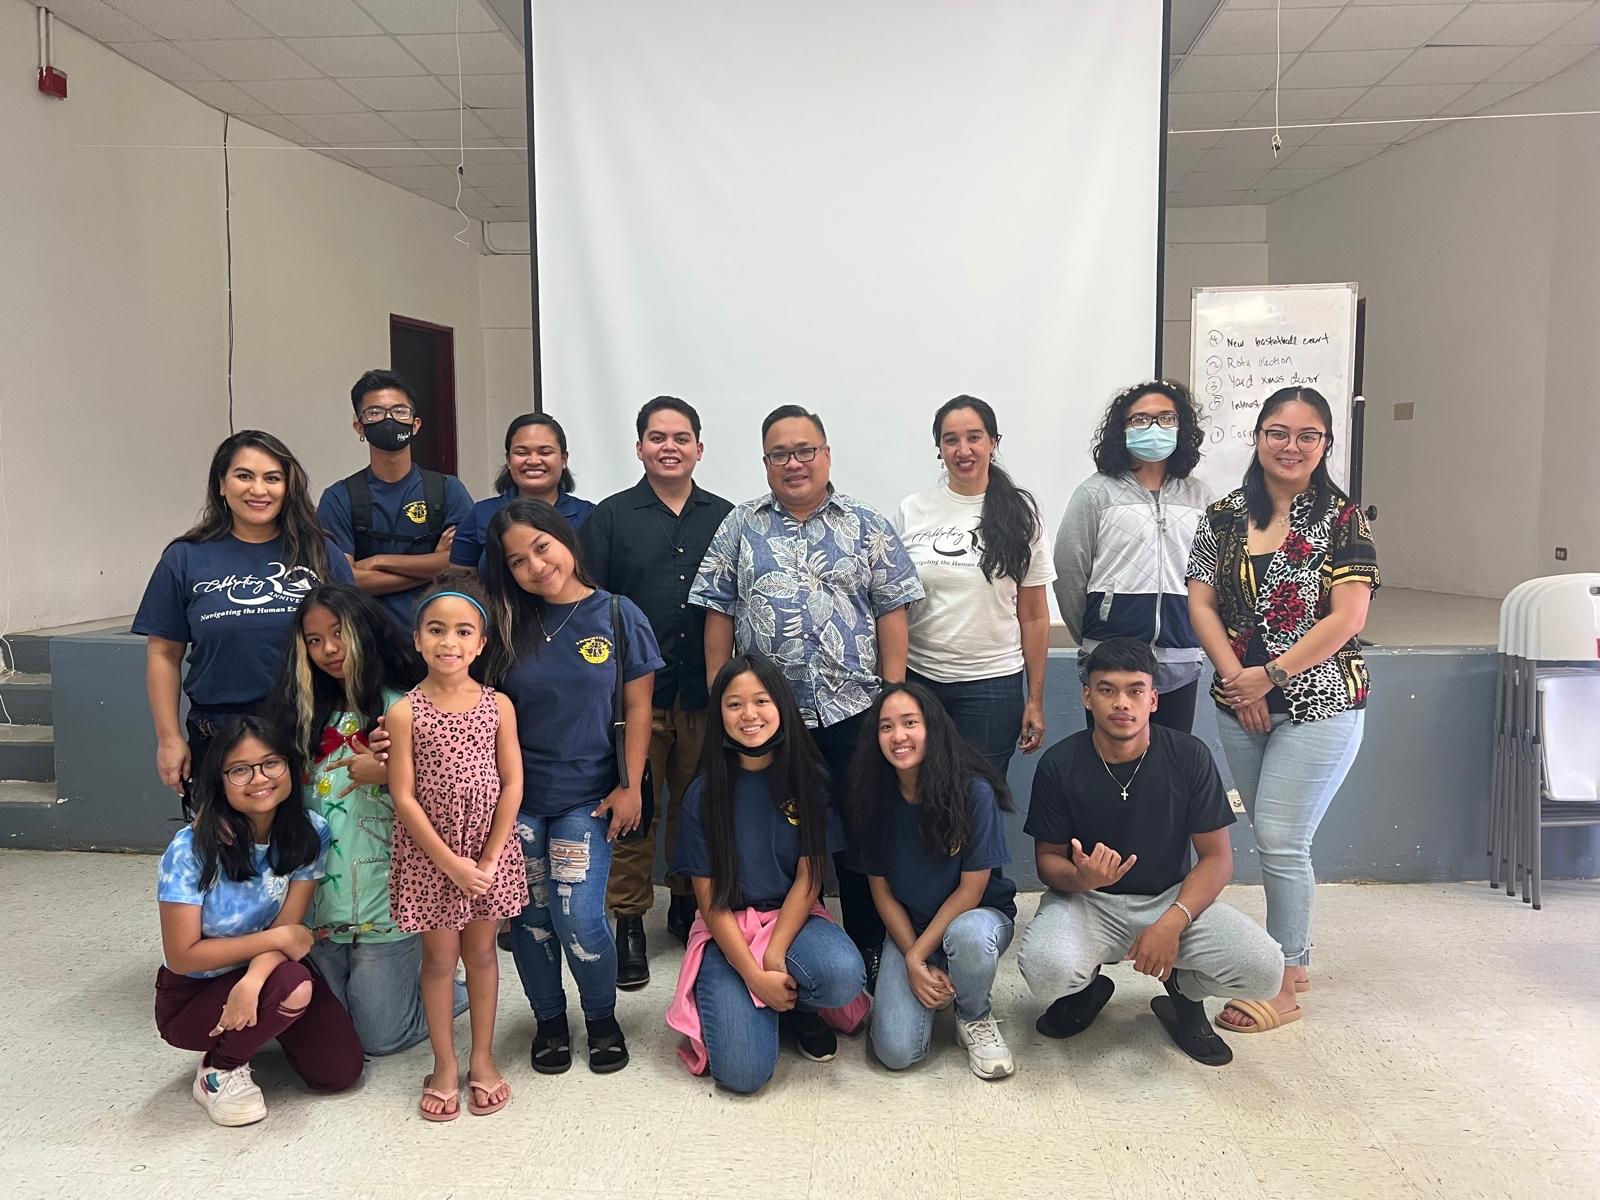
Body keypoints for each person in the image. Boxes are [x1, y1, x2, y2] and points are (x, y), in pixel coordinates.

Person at [691, 404, 923, 977]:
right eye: (779, 454)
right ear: (765, 462)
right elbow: (718, 614)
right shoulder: (740, 525)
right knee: (780, 836)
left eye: (804, 451)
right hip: (767, 720)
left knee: (862, 829)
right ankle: (774, 945)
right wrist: (722, 694)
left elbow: (893, 611)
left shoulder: (866, 524)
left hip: (852, 710)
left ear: (826, 455)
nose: (793, 463)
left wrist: (891, 694)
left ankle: (865, 943)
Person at [1186, 386, 1378, 1033]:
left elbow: (1349, 616)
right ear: (1259, 437)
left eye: (1307, 435)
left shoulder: (1342, 518)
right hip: (1239, 699)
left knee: (1280, 837)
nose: (1290, 446)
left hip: (1320, 701)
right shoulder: (1222, 515)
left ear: (1325, 443)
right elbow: (1202, 604)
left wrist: (1269, 676)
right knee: (1274, 838)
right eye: (1277, 431)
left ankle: (1287, 977)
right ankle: (1289, 963)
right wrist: (1239, 680)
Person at [1018, 638, 1284, 1066]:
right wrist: (1081, 879)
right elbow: (1047, 860)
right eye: (1107, 690)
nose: (1121, 703)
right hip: (1089, 903)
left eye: (1134, 691)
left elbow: (1217, 859)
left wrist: (1172, 922)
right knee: (1047, 971)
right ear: (1087, 697)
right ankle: (1086, 989)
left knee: (1266, 969)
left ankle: (1183, 992)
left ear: (1154, 699)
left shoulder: (1189, 757)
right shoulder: (1060, 763)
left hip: (1170, 899)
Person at [482, 499, 662, 1075]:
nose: (535, 565)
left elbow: (638, 707)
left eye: (542, 546)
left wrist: (631, 784)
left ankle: (602, 1016)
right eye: (517, 560)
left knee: (579, 918)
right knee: (531, 921)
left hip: (589, 798)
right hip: (519, 803)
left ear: (565, 540)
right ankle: (550, 1021)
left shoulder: (616, 614)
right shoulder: (504, 622)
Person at [267, 583, 465, 1056]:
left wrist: (390, 771)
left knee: (378, 1037)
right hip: (316, 902)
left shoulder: (409, 706)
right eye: (314, 640)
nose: (328, 650)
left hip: (388, 903)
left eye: (338, 633)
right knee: (333, 1025)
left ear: (365, 631)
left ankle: (447, 988)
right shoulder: (299, 713)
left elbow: (456, 796)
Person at [580, 396, 735, 981]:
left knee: (696, 804)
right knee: (634, 810)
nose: (669, 446)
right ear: (640, 446)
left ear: (699, 447)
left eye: (681, 437)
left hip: (705, 691)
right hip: (634, 697)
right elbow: (593, 604)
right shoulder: (611, 518)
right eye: (656, 436)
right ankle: (628, 922)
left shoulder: (726, 517)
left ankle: (686, 899)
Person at [665, 655, 867, 1094]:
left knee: (841, 974)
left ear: (782, 705)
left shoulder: (808, 777)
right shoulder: (703, 792)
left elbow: (809, 879)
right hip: (727, 930)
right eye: (734, 704)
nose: (749, 714)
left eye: (761, 700)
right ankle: (759, 996)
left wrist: (775, 956)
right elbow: (710, 900)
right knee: (743, 1076)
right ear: (720, 713)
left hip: (792, 921)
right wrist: (755, 977)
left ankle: (799, 1008)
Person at [154, 717, 363, 1126]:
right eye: (240, 770)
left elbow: (290, 934)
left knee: (338, 1073)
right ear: (219, 779)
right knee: (295, 984)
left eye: (271, 764)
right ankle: (220, 1069)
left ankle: (268, 1016)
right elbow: (182, 956)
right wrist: (281, 939)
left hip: (267, 971)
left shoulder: (309, 832)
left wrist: (251, 982)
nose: (259, 778)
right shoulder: (191, 849)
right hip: (192, 995)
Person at [135, 431, 354, 810]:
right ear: (221, 484)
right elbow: (163, 655)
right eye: (244, 476)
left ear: (288, 486)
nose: (259, 489)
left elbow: (356, 642)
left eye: (272, 477)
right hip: (220, 733)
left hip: (311, 728)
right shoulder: (185, 558)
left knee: (315, 855)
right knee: (228, 856)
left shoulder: (322, 553)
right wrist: (168, 738)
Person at [386, 575, 527, 1118]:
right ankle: (444, 1063)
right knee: (440, 959)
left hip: (489, 853)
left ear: (480, 643)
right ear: (418, 639)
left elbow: (512, 783)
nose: (449, 641)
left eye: (463, 631)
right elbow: (403, 796)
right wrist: (451, 865)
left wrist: (487, 860)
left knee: (483, 954)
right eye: (437, 630)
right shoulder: (405, 713)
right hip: (431, 858)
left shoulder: (498, 706)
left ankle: (483, 1059)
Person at [849, 683, 1018, 1080]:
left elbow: (971, 891)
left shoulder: (972, 790)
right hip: (912, 926)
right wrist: (914, 954)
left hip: (977, 916)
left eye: (910, 723)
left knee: (969, 937)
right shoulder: (870, 797)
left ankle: (974, 1015)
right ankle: (937, 980)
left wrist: (914, 958)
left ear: (934, 729)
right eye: (886, 727)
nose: (899, 736)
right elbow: (882, 891)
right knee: (894, 1051)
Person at [896, 395, 1053, 778]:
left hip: (992, 686)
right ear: (939, 449)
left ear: (993, 443)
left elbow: (1033, 616)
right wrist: (895, 687)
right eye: (951, 440)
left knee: (979, 799)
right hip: (921, 679)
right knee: (919, 795)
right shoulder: (911, 510)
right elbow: (894, 608)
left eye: (974, 437)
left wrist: (1035, 699)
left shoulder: (1021, 514)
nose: (963, 450)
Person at [1054, 380, 1211, 732]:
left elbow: (1210, 573)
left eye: (1165, 418)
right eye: (1140, 420)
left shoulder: (1200, 496)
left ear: (1181, 427)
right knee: (1111, 765)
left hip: (1180, 656)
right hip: (1111, 659)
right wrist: (1096, 630)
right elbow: (1069, 568)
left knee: (1171, 763)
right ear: (1121, 429)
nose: (1153, 428)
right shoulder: (1095, 493)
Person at [316, 369, 475, 629]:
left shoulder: (448, 490)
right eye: (375, 413)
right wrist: (433, 570)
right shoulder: (338, 498)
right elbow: (344, 581)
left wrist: (380, 561)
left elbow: (463, 567)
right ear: (360, 426)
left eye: (400, 411)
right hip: (369, 646)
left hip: (439, 643)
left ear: (415, 424)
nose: (388, 419)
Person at [452, 413, 595, 575]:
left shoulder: (590, 516)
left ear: (564, 459)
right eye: (522, 453)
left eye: (545, 452)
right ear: (508, 459)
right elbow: (460, 584)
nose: (533, 461)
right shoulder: (481, 514)